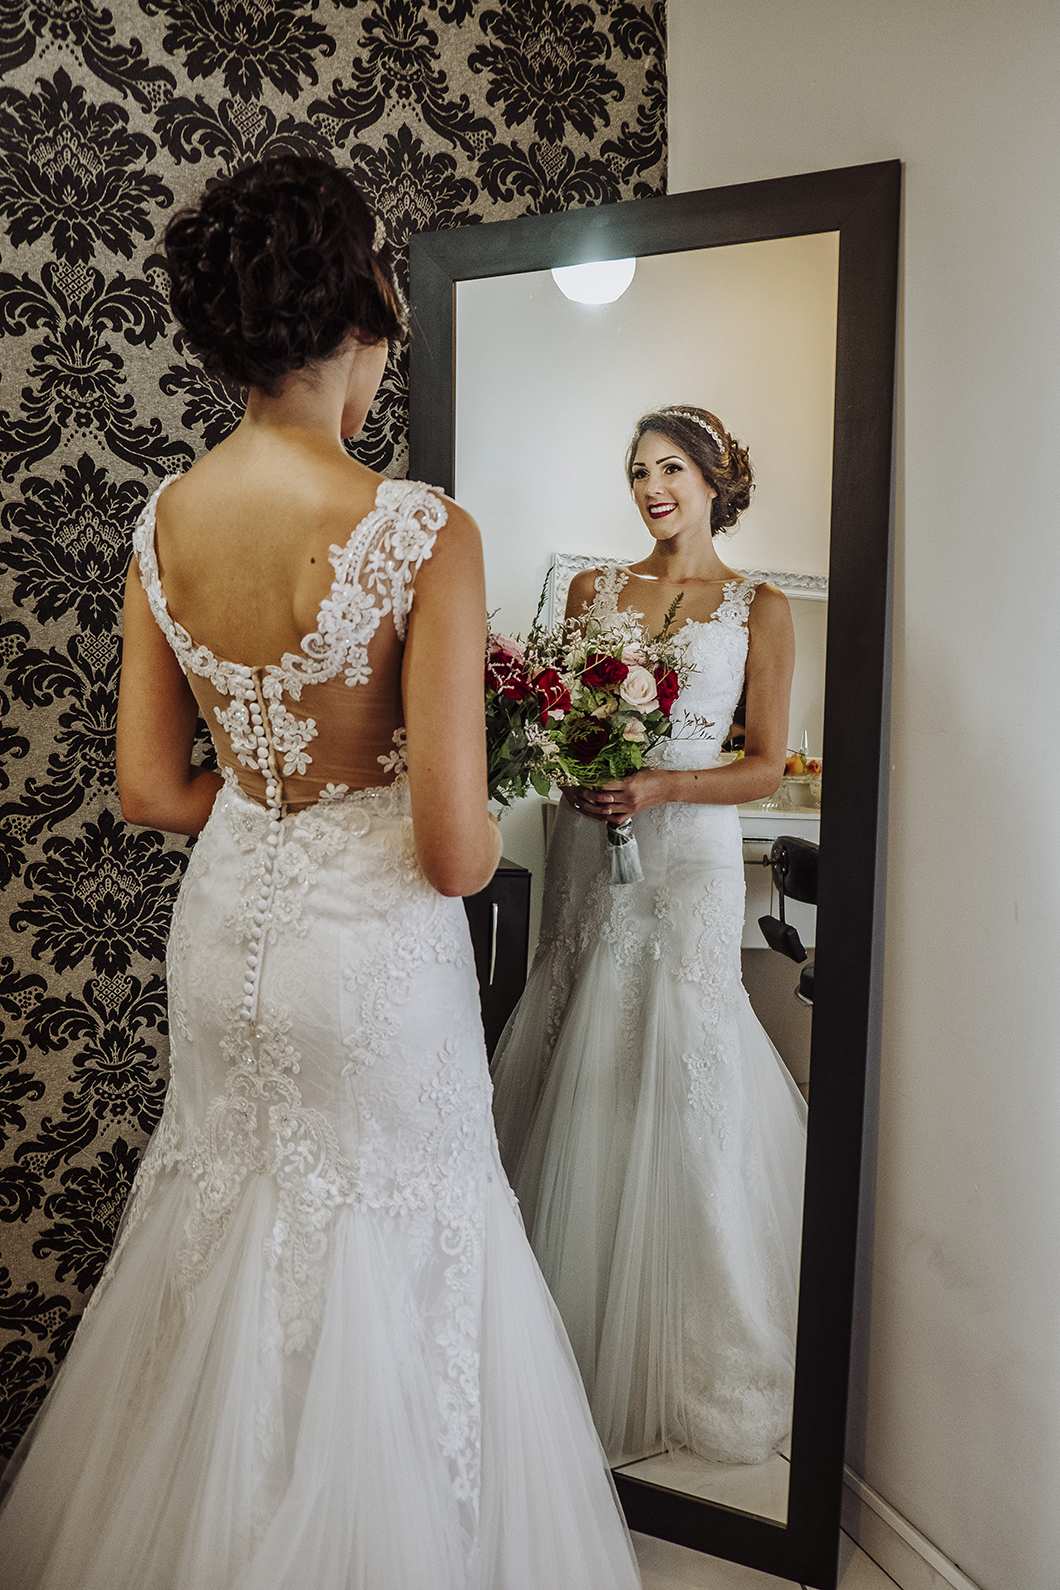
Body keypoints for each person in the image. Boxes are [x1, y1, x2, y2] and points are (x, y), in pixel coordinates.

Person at [0, 157, 641, 1590]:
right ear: (362, 306)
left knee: (227, 1224)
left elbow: (153, 787)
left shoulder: (161, 521)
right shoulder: (418, 526)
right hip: (366, 963)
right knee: (393, 1246)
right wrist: (419, 766)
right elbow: (457, 850)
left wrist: (286, 783)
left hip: (228, 931)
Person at [491, 406, 809, 1469]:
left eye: (669, 468)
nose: (651, 487)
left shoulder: (761, 609)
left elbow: (764, 764)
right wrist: (582, 773)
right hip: (595, 845)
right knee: (584, 1025)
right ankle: (555, 1340)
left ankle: (690, 1344)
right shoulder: (592, 591)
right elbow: (550, 715)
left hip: (691, 857)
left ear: (717, 477)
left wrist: (666, 781)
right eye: (636, 472)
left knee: (684, 1051)